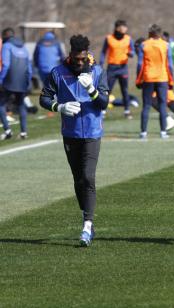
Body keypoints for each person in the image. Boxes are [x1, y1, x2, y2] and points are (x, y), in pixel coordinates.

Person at [39, 34, 109, 246]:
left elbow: (104, 103)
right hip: (70, 134)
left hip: (92, 133)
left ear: (87, 55)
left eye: (83, 59)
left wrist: (92, 91)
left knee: (88, 177)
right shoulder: (57, 73)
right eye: (76, 59)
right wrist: (58, 107)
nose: (80, 63)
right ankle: (86, 216)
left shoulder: (97, 72)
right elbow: (44, 98)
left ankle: (87, 225)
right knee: (79, 179)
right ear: (70, 54)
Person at [136, 24, 174, 139]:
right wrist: (170, 79)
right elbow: (170, 64)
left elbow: (139, 64)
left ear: (150, 33)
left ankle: (143, 132)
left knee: (146, 105)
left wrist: (139, 78)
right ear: (160, 33)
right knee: (163, 105)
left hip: (148, 78)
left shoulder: (144, 44)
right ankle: (163, 132)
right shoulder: (166, 45)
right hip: (162, 78)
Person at [0, 28, 32, 140]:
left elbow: (6, 65)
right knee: (21, 105)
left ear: (5, 36)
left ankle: (8, 131)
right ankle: (23, 133)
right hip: (22, 81)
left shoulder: (7, 46)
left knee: (1, 104)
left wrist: (1, 79)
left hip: (9, 81)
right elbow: (29, 67)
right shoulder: (23, 47)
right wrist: (28, 82)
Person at [100, 20, 134, 119]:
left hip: (123, 68)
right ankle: (103, 110)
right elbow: (103, 52)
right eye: (123, 27)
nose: (125, 29)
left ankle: (127, 111)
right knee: (108, 90)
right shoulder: (109, 38)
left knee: (125, 90)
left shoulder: (128, 38)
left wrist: (130, 54)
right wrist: (101, 63)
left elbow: (132, 52)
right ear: (117, 28)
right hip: (112, 68)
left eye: (125, 27)